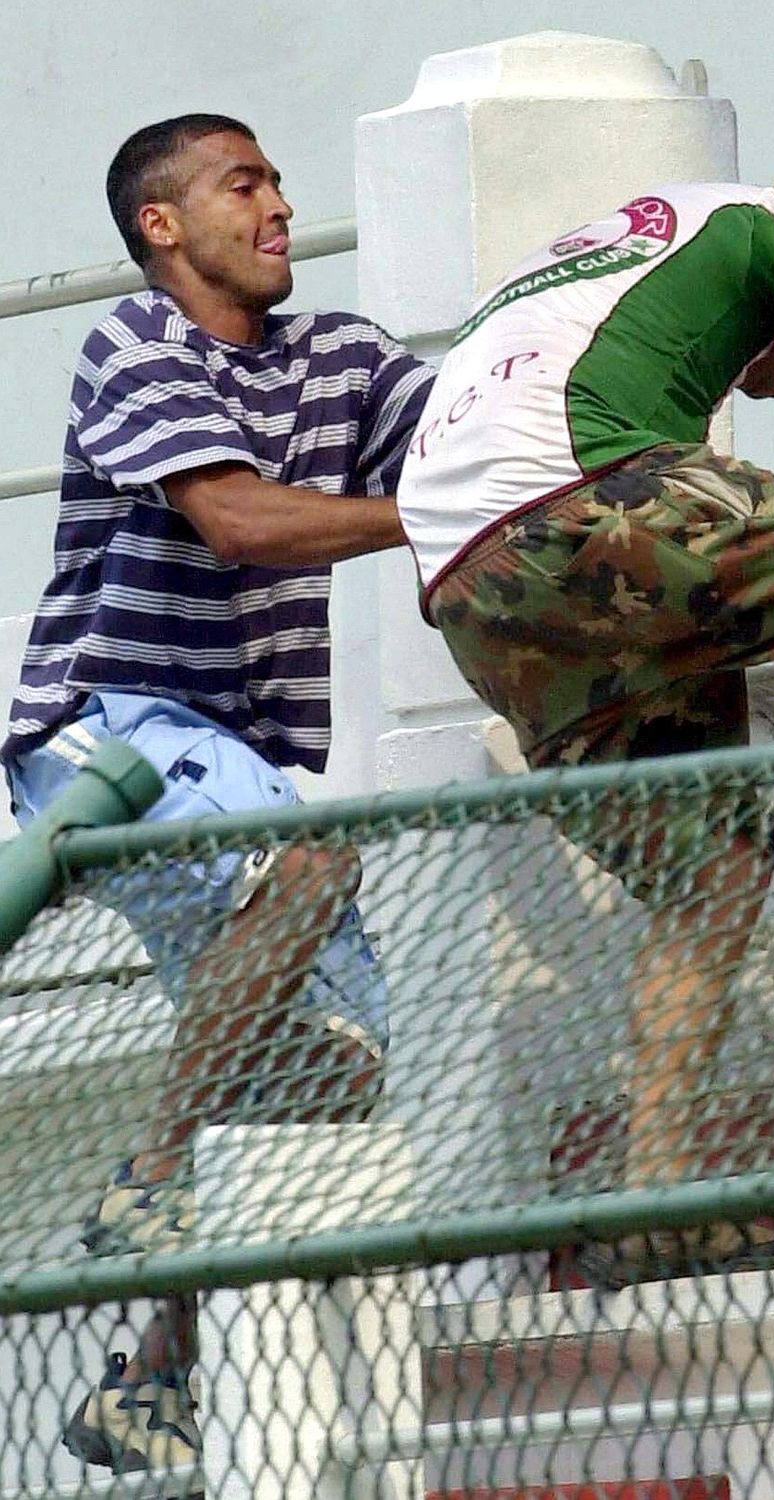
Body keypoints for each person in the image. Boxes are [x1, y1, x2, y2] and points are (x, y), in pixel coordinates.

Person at [396, 177, 774, 1281]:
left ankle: (654, 1195)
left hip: (469, 599)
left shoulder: (586, 269)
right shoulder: (756, 220)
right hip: (582, 497)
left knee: (709, 882)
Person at [2, 114, 433, 1472]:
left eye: (280, 183)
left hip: (238, 755)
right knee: (303, 867)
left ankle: (144, 1377)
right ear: (162, 227)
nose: (282, 206)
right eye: (245, 184)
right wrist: (433, 513)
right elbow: (241, 523)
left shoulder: (345, 358)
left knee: (322, 1075)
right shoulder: (134, 346)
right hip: (108, 734)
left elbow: (479, 439)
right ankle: (147, 1182)